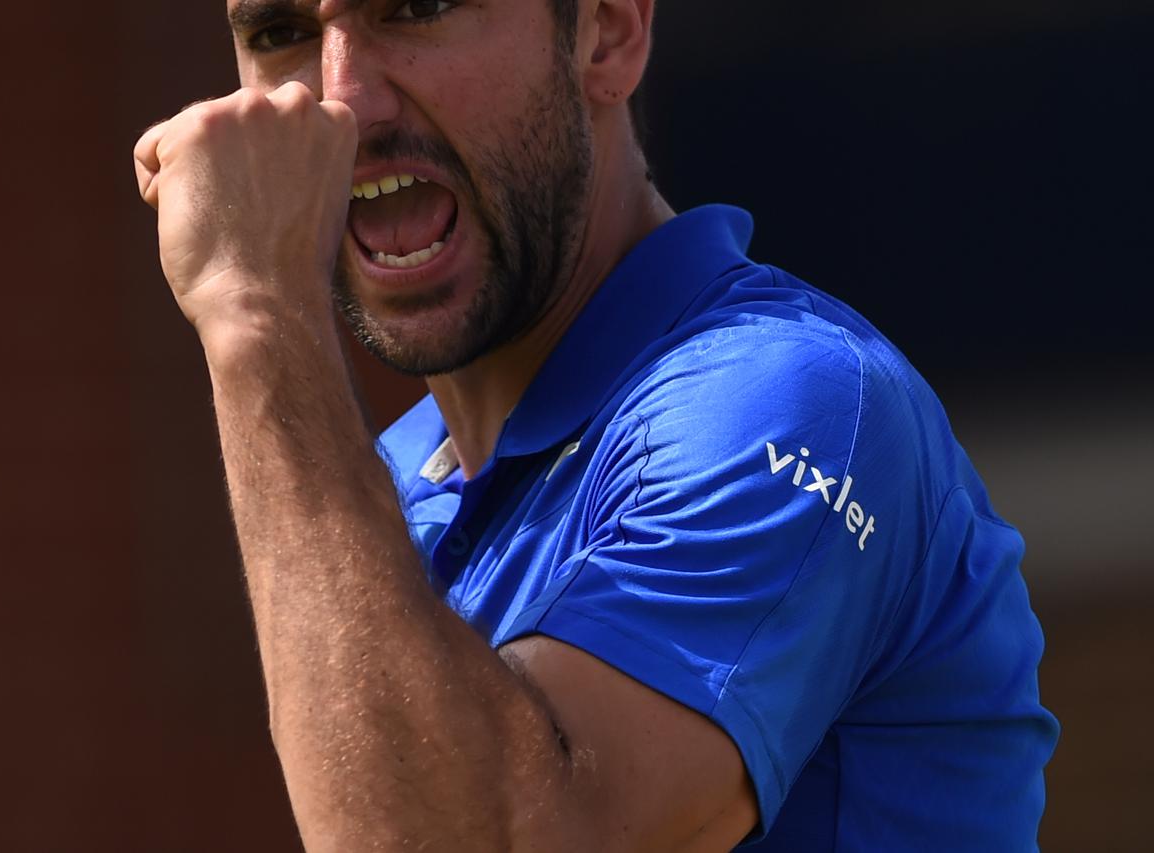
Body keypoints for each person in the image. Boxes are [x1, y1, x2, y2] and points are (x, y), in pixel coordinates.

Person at [133, 0, 1058, 849]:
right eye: (280, 33)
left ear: (607, 33)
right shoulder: (384, 477)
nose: (345, 101)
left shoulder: (787, 396)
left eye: (415, 9)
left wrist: (257, 312)